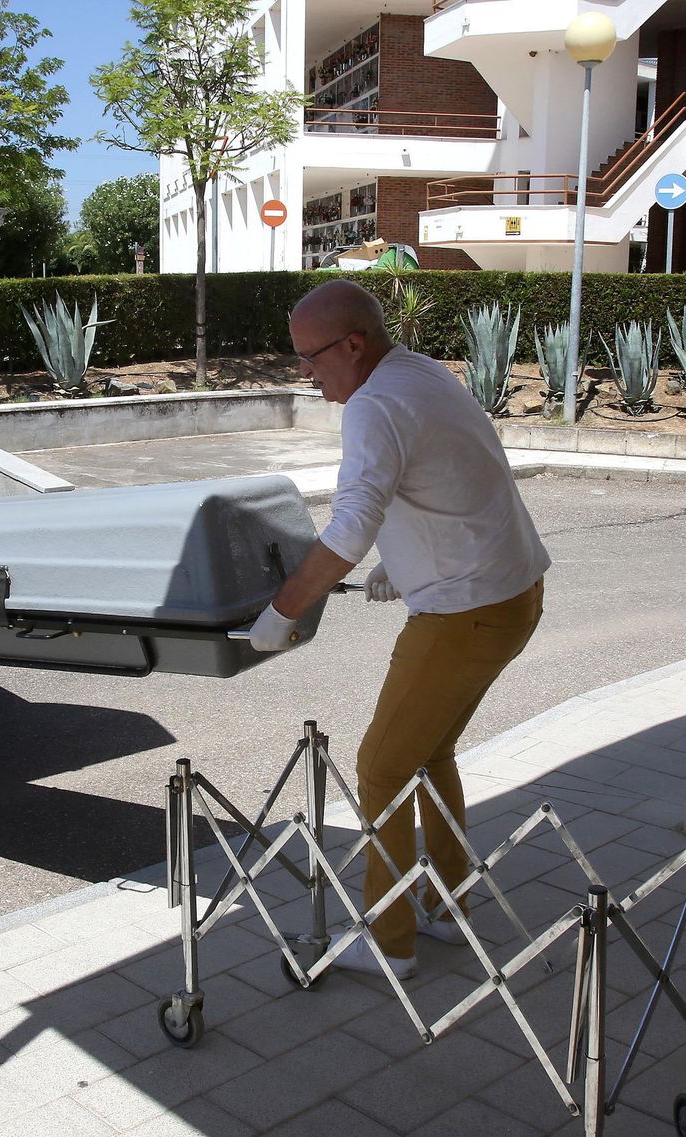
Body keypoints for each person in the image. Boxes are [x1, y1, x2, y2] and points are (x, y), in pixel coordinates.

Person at [250, 279, 550, 977]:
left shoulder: (373, 404)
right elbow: (454, 478)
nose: (305, 372)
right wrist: (402, 560)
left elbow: (349, 524)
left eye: (311, 356)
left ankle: (388, 942)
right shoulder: (418, 374)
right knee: (429, 752)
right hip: (513, 596)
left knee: (381, 767)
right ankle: (447, 906)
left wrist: (281, 611)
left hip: (463, 612)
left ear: (354, 344)